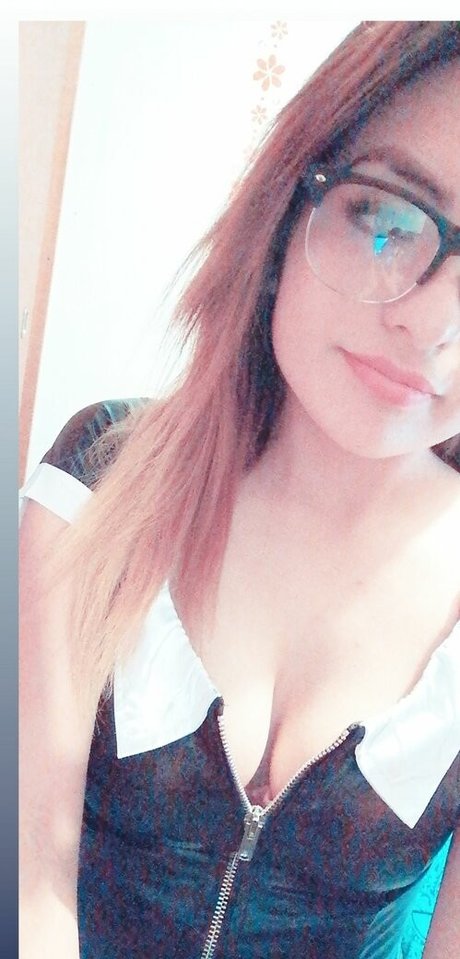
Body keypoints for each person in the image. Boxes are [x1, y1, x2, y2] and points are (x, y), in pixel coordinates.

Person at [20, 20, 460, 959]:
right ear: (291, 204)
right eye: (389, 219)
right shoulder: (103, 475)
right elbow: (35, 878)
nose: (433, 324)